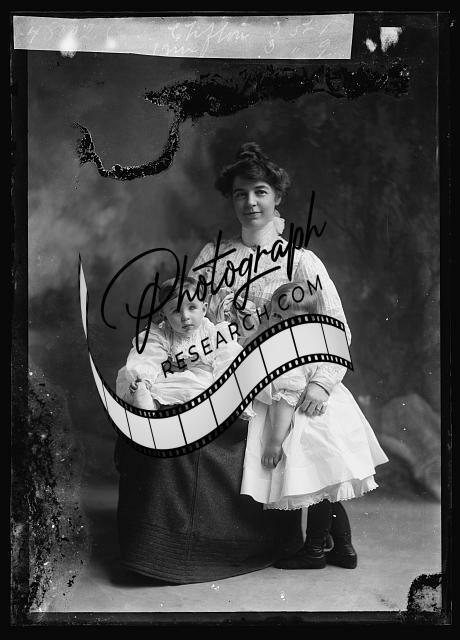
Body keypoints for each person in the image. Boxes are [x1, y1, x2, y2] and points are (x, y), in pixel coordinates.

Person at [114, 142, 364, 582]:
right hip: (223, 374)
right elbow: (187, 318)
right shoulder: (214, 258)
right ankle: (166, 543)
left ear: (277, 197)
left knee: (309, 441)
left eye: (260, 192)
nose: (250, 202)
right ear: (231, 200)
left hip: (286, 379)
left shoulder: (301, 261)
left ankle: (314, 540)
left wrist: (321, 382)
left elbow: (335, 328)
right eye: (240, 194)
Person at [240, 282, 389, 569]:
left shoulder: (289, 352)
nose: (279, 323)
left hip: (307, 422)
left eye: (288, 319)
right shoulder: (317, 338)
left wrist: (274, 442)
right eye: (276, 316)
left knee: (318, 492)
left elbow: (286, 400)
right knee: (327, 490)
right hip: (332, 419)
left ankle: (315, 551)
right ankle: (344, 549)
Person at [115, 276, 243, 410]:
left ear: (204, 309)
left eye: (192, 307)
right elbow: (149, 355)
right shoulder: (162, 333)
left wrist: (226, 385)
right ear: (164, 316)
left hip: (201, 378)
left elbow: (227, 355)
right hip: (170, 378)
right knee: (153, 387)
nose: (185, 317)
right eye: (176, 311)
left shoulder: (211, 331)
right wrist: (144, 378)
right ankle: (145, 399)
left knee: (200, 386)